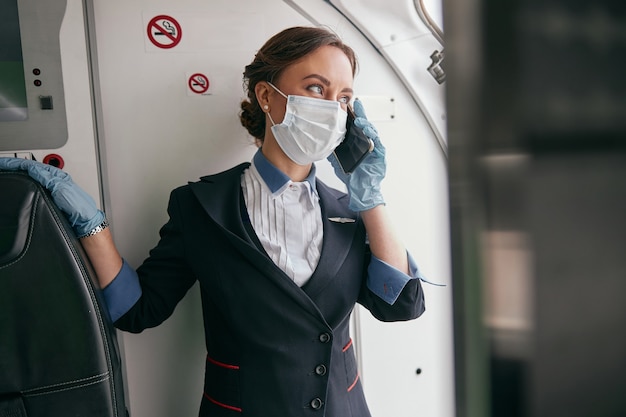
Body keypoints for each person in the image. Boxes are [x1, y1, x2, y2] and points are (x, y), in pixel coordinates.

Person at [0, 26, 427, 417]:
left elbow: (402, 307)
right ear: (267, 96)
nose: (333, 109)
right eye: (316, 88)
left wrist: (369, 197)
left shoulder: (350, 212)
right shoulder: (201, 206)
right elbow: (138, 310)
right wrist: (91, 223)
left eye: (345, 98)